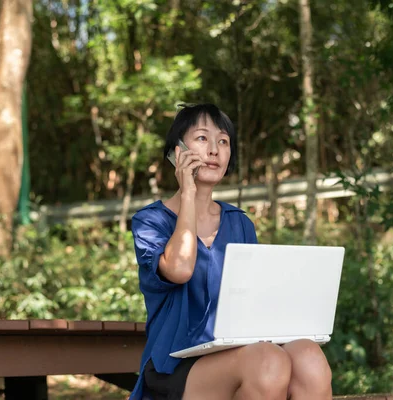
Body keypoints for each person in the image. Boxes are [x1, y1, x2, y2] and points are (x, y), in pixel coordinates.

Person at [128, 104, 332, 400]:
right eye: (201, 138)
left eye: (223, 141)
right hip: (174, 367)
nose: (214, 149)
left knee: (308, 356)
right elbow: (180, 269)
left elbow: (254, 304)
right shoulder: (151, 221)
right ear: (177, 152)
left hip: (239, 355)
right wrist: (188, 193)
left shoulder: (240, 223)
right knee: (268, 361)